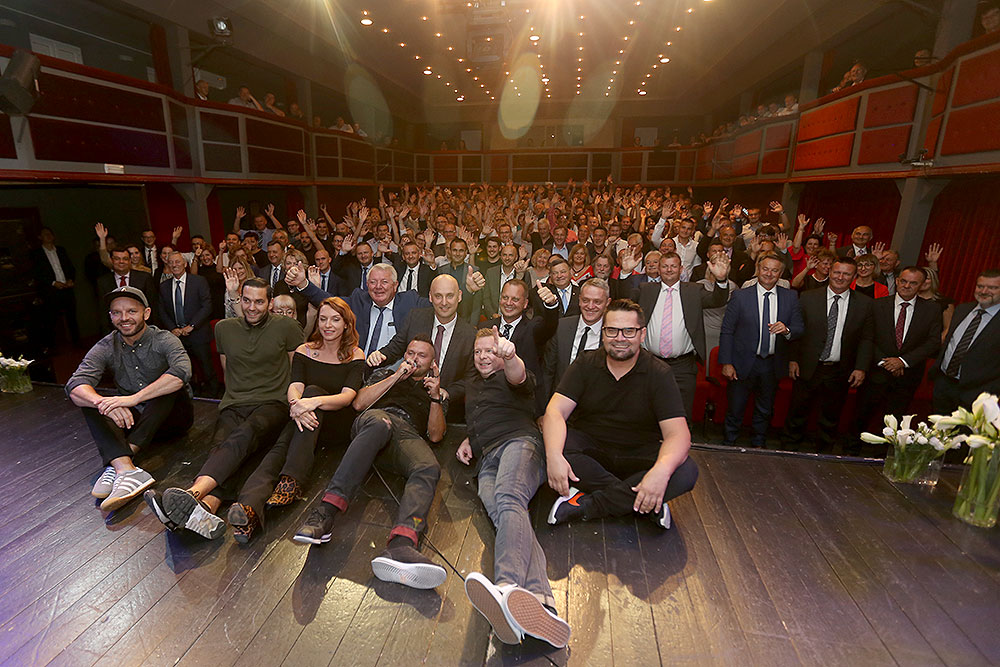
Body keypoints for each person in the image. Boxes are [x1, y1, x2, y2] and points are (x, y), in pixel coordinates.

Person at [145, 278, 303, 539]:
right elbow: (227, 369)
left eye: (259, 302)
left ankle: (193, 493)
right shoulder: (224, 329)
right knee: (223, 446)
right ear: (239, 299)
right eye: (247, 300)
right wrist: (236, 397)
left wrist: (295, 403)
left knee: (245, 435)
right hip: (235, 402)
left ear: (270, 303)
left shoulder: (287, 327)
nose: (252, 307)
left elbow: (296, 369)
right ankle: (207, 509)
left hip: (273, 403)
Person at [293, 336, 448, 590]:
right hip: (373, 421)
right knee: (380, 424)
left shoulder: (437, 391)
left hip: (406, 434)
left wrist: (435, 398)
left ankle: (401, 545)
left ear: (432, 363)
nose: (414, 359)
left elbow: (435, 435)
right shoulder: (386, 373)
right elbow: (359, 403)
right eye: (410, 353)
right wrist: (396, 377)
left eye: (422, 356)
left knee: (428, 467)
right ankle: (325, 513)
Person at [459, 328, 571, 649]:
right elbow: (483, 416)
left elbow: (518, 376)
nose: (483, 356)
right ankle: (541, 602)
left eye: (490, 351)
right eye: (478, 351)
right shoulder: (474, 384)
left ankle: (506, 586)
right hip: (486, 458)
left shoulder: (510, 375)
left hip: (519, 444)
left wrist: (509, 356)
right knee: (506, 515)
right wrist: (470, 438)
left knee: (509, 499)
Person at [543, 299, 699, 530]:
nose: (620, 338)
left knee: (686, 471)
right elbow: (555, 411)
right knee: (549, 445)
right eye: (612, 330)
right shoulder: (585, 363)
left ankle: (586, 504)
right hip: (593, 453)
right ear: (603, 333)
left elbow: (678, 434)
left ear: (642, 334)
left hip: (638, 454)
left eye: (628, 331)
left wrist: (661, 472)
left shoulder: (659, 373)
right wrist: (554, 455)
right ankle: (645, 502)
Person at [227, 298, 365, 542]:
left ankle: (290, 480)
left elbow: (347, 398)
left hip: (336, 424)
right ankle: (249, 510)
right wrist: (295, 405)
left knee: (311, 393)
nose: (328, 325)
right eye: (323, 319)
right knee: (281, 447)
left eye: (335, 320)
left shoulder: (355, 354)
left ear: (346, 324)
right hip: (305, 419)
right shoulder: (305, 350)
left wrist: (310, 403)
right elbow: (295, 386)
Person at [66, 287, 193, 511]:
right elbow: (74, 384)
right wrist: (102, 403)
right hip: (133, 421)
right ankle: (125, 468)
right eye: (117, 312)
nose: (124, 318)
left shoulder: (164, 339)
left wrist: (133, 399)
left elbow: (182, 371)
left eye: (131, 311)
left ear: (146, 313)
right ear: (111, 316)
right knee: (93, 401)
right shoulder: (106, 345)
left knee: (168, 387)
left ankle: (118, 458)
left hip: (172, 419)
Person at [783, 258, 874, 452]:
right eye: (837, 272)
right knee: (797, 412)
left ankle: (824, 454)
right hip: (807, 366)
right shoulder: (808, 297)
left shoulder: (865, 304)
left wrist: (861, 367)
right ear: (829, 273)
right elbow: (797, 331)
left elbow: (867, 338)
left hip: (839, 369)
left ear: (854, 277)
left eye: (846, 274)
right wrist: (793, 359)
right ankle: (788, 449)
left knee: (830, 417)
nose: (840, 277)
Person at [719, 254, 805, 448]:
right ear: (758, 269)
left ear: (780, 274)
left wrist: (787, 330)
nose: (769, 274)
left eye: (775, 270)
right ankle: (728, 443)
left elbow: (799, 328)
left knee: (765, 409)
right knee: (735, 407)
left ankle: (758, 444)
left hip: (772, 364)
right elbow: (727, 330)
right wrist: (726, 362)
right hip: (741, 363)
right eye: (765, 269)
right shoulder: (740, 296)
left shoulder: (790, 297)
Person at [638, 252, 731, 421]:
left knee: (681, 415)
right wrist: (625, 273)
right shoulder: (646, 290)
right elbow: (622, 295)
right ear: (658, 269)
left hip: (683, 366)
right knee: (647, 412)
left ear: (681, 269)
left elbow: (717, 300)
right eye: (665, 266)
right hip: (650, 362)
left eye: (673, 266)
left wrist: (721, 279)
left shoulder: (694, 291)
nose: (669, 270)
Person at [368, 274, 476, 417]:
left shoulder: (471, 335)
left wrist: (448, 392)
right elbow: (395, 347)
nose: (444, 302)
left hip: (445, 409)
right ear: (430, 297)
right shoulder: (415, 318)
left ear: (459, 296)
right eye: (438, 296)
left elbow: (470, 379)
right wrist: (380, 354)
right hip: (408, 400)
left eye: (450, 296)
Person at [855, 267, 942, 433]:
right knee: (861, 417)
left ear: (922, 285)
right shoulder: (876, 305)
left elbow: (933, 342)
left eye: (913, 283)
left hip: (907, 377)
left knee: (894, 424)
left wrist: (902, 361)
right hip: (876, 373)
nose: (907, 286)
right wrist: (887, 363)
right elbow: (867, 338)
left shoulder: (932, 309)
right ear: (897, 281)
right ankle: (851, 447)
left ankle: (885, 449)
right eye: (903, 281)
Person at [931, 269, 1000, 414]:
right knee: (937, 426)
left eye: (992, 287)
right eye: (980, 286)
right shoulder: (963, 309)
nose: (984, 291)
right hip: (943, 385)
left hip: (978, 393)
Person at [158, 252, 219, 397]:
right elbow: (161, 310)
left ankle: (214, 394)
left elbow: (207, 306)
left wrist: (192, 326)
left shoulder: (199, 281)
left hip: (198, 333)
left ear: (185, 264)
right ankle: (192, 393)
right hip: (177, 337)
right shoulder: (164, 286)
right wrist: (173, 328)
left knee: (206, 368)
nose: (174, 265)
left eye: (178, 262)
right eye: (171, 262)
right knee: (184, 369)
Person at [543, 278, 611, 399]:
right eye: (585, 300)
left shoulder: (613, 335)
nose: (590, 306)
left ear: (607, 302)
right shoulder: (561, 327)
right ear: (579, 300)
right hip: (560, 402)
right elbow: (548, 372)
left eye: (597, 302)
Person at [31, 226, 80, 347]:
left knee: (72, 317)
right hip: (51, 291)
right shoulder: (37, 254)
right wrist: (53, 282)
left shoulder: (61, 250)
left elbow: (70, 267)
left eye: (50, 234)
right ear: (40, 237)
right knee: (51, 319)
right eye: (45, 234)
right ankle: (52, 346)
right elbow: (37, 273)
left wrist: (70, 279)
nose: (48, 236)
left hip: (67, 289)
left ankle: (77, 343)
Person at [482, 244, 523, 320]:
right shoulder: (491, 272)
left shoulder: (523, 274)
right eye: (504, 255)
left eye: (510, 255)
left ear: (516, 257)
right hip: (494, 318)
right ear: (500, 256)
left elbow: (525, 300)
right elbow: (486, 298)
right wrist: (492, 314)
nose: (507, 258)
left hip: (515, 319)